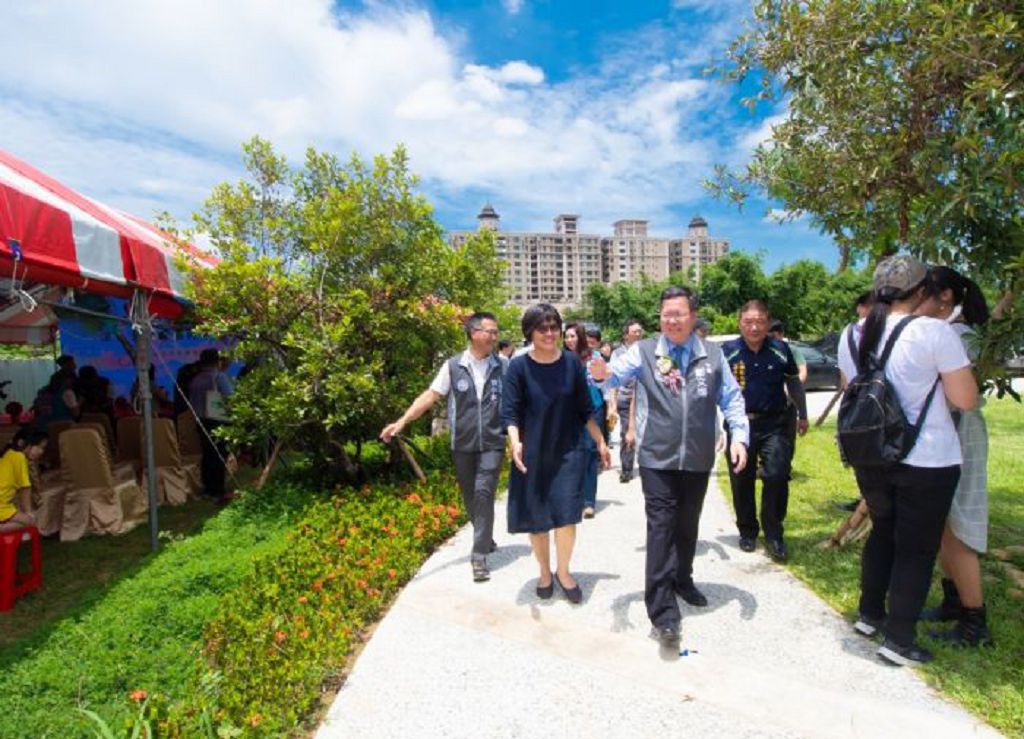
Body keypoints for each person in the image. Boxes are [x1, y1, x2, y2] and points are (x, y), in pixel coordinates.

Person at [838, 254, 977, 667]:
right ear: (921, 292)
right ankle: (899, 640)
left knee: (884, 532)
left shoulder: (852, 333)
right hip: (927, 458)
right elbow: (965, 399)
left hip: (872, 455)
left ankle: (869, 615)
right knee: (916, 549)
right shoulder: (934, 332)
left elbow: (852, 390)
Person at [608, 286, 749, 649]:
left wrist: (739, 438)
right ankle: (662, 612)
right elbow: (610, 376)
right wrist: (598, 373)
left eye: (679, 313)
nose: (671, 320)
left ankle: (682, 579)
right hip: (657, 458)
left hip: (698, 458)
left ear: (693, 316)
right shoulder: (644, 352)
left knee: (688, 525)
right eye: (666, 314)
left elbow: (732, 400)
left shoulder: (713, 355)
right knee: (661, 528)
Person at [381, 312, 506, 582]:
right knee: (470, 496)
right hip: (462, 443)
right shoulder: (452, 366)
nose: (494, 337)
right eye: (490, 331)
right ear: (474, 333)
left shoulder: (503, 366)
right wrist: (402, 421)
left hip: (493, 443)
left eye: (496, 332)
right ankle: (485, 536)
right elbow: (430, 395)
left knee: (484, 492)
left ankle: (479, 555)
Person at [503, 305, 610, 603]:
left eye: (554, 327)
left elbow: (584, 409)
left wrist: (600, 441)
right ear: (530, 333)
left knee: (566, 516)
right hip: (533, 452)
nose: (550, 334)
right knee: (537, 519)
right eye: (543, 328)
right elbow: (510, 412)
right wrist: (515, 442)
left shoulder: (571, 364)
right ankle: (544, 571)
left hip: (568, 452)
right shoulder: (518, 367)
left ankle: (563, 571)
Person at [917, 266, 993, 647]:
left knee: (959, 528)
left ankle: (975, 621)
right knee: (946, 525)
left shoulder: (956, 335)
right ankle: (954, 601)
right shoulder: (953, 332)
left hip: (960, 432)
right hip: (950, 432)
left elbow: (958, 397)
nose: (916, 302)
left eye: (923, 293)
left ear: (944, 296)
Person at [723, 302, 808, 562]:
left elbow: (793, 382)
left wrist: (803, 414)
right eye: (748, 321)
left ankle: (774, 533)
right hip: (740, 427)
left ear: (768, 322)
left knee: (777, 475)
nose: (754, 326)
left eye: (760, 321)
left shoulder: (781, 350)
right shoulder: (727, 352)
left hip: (775, 424)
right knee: (742, 478)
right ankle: (747, 531)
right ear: (740, 322)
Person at [564, 323, 606, 519]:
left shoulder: (594, 357)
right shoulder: (559, 358)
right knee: (570, 454)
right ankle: (573, 497)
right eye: (567, 337)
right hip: (568, 411)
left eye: (573, 336)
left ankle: (588, 501)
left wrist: (611, 405)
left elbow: (605, 382)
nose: (569, 340)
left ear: (580, 337)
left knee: (589, 452)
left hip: (592, 408)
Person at [188, 349, 234, 503]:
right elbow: (230, 397)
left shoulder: (196, 379)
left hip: (201, 421)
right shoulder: (218, 377)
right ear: (217, 361)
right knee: (219, 455)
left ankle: (208, 488)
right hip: (218, 419)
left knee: (207, 454)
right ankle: (218, 490)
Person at [609, 319, 644, 483]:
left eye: (640, 330)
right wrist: (613, 404)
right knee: (626, 434)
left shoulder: (647, 350)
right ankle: (627, 468)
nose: (639, 333)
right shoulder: (618, 354)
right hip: (626, 398)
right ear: (626, 335)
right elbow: (613, 380)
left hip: (644, 399)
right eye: (635, 331)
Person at [0, 429, 47, 532]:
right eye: (38, 447)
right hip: (1, 507)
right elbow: (25, 488)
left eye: (43, 448)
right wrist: (28, 513)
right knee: (31, 521)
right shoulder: (20, 457)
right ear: (22, 443)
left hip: (4, 505)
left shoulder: (8, 454)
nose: (41, 451)